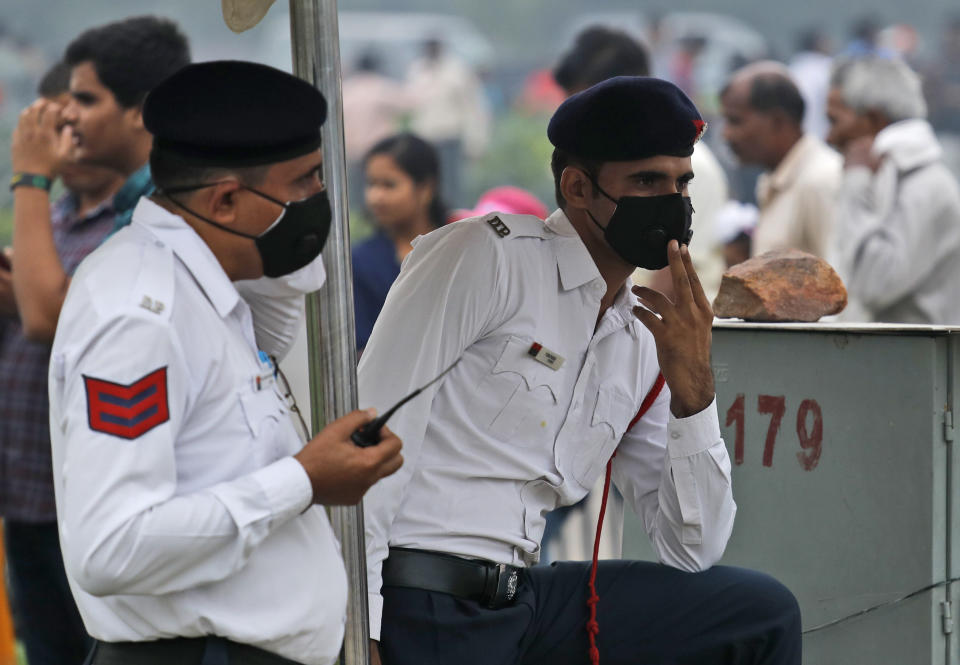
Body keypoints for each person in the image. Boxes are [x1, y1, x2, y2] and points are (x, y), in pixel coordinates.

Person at [359, 76, 800, 665]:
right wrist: (357, 625)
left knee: (757, 613)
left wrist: (694, 393)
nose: (672, 200)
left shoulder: (641, 337)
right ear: (578, 187)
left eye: (681, 182)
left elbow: (692, 546)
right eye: (646, 180)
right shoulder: (485, 259)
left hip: (524, 598)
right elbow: (371, 435)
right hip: (427, 592)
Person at [48, 60, 404, 665]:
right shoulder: (139, 313)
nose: (322, 202)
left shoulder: (209, 285)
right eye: (307, 183)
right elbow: (110, 546)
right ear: (228, 199)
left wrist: (293, 229)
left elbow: (282, 301)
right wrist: (304, 480)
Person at [0, 60, 123, 665]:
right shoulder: (49, 222)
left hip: (81, 501)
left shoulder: (129, 224)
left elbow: (53, 317)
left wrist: (29, 176)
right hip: (24, 494)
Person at [10, 16, 190, 343]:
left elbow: (48, 319)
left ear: (141, 111)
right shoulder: (137, 201)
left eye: (86, 99)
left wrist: (31, 176)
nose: (68, 114)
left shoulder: (171, 205)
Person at [553, 25, 729, 303]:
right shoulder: (591, 167)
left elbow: (670, 280)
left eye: (591, 106)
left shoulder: (690, 167)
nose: (582, 123)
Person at [827, 56, 960, 324]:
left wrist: (855, 184)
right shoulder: (887, 176)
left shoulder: (925, 185)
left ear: (873, 119)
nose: (829, 137)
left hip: (914, 363)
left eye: (834, 120)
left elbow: (875, 284)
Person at [720, 62, 842, 259]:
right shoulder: (773, 179)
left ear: (777, 122)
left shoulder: (820, 180)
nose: (726, 134)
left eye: (735, 121)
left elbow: (841, 279)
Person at [352, 133, 446, 352]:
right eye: (371, 184)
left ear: (425, 189)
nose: (376, 197)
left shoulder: (460, 246)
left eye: (389, 185)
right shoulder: (362, 262)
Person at [405, 38, 490, 207]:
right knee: (426, 186)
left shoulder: (456, 71)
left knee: (451, 188)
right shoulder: (417, 70)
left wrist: (476, 141)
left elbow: (472, 107)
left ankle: (453, 221)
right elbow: (411, 104)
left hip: (449, 136)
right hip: (425, 138)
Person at [342, 51, 410, 213]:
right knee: (380, 188)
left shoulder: (347, 90)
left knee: (358, 193)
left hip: (354, 151)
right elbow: (408, 103)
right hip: (379, 151)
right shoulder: (381, 87)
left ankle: (360, 220)